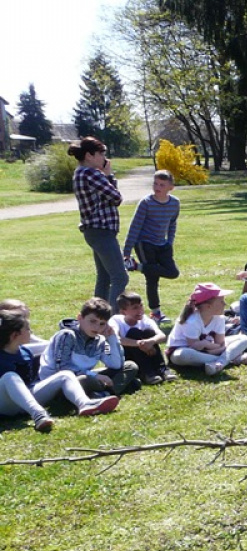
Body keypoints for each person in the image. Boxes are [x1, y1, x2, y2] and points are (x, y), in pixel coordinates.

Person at [1, 310, 118, 432]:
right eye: (27, 329)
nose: (31, 332)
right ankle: (38, 414)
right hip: (4, 405)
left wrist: (112, 339)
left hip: (25, 401)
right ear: (15, 335)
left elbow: (115, 362)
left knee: (65, 375)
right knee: (10, 376)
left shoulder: (26, 352)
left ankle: (85, 403)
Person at [69, 137, 128, 312]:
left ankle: (96, 318)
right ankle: (110, 321)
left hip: (93, 231)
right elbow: (116, 198)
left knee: (104, 277)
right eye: (101, 153)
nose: (104, 157)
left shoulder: (79, 173)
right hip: (102, 231)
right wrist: (109, 175)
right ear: (89, 155)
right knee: (120, 277)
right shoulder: (92, 173)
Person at [39, 297, 139, 396]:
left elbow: (115, 365)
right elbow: (62, 368)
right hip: (57, 382)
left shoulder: (101, 341)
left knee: (130, 366)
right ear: (80, 318)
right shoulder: (67, 335)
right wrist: (95, 376)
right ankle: (111, 390)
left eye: (102, 324)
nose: (97, 327)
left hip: (87, 376)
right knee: (84, 380)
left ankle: (103, 394)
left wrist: (112, 338)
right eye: (92, 321)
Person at [121, 169, 181, 323]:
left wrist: (170, 241)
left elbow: (172, 224)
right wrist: (126, 251)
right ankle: (156, 312)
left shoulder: (174, 203)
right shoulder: (146, 203)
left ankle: (136, 266)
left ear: (170, 187)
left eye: (162, 184)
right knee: (152, 278)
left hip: (162, 243)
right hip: (144, 243)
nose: (157, 187)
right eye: (155, 183)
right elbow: (135, 226)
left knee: (173, 272)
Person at [167, 283, 247, 376]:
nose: (225, 304)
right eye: (221, 301)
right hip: (188, 351)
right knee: (182, 355)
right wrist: (211, 346)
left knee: (244, 338)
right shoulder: (192, 321)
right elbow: (195, 347)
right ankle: (229, 359)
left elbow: (220, 343)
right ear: (208, 306)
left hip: (209, 350)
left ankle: (219, 363)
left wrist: (214, 347)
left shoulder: (219, 318)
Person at [110, 291, 177, 385]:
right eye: (135, 308)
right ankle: (147, 373)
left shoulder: (144, 319)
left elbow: (161, 335)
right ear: (123, 311)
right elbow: (116, 338)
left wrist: (150, 342)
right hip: (128, 357)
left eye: (141, 306)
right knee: (133, 332)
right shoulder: (116, 320)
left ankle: (162, 369)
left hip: (147, 351)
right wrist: (140, 343)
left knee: (149, 332)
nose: (140, 310)